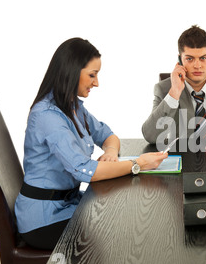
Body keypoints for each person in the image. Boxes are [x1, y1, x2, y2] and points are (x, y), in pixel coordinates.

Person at [15, 38, 167, 250]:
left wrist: (111, 152)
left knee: (124, 222)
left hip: (69, 204)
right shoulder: (47, 115)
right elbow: (84, 170)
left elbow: (108, 135)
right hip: (44, 219)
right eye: (92, 75)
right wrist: (137, 164)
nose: (97, 83)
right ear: (71, 71)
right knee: (120, 234)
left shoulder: (72, 106)